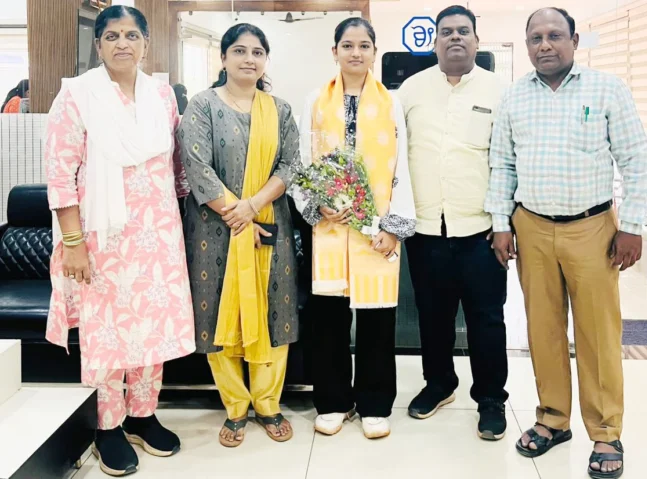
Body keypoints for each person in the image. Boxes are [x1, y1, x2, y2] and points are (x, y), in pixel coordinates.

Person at [485, 8, 647, 479]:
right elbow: (502, 163)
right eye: (535, 37)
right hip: (531, 227)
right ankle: (553, 419)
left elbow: (635, 159)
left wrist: (632, 225)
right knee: (543, 329)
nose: (545, 45)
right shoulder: (514, 96)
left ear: (574, 40)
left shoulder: (606, 89)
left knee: (598, 333)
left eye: (555, 35)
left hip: (592, 227)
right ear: (527, 45)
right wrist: (501, 223)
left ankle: (606, 431)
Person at [44, 6, 194, 477]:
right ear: (98, 45)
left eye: (131, 35)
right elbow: (60, 176)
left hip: (158, 234)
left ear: (146, 44)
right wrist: (73, 243)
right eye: (112, 36)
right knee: (107, 331)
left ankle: (143, 416)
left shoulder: (163, 96)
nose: (122, 44)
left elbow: (176, 166)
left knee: (152, 327)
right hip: (101, 236)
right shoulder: (76, 96)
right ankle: (107, 426)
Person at [293, 17, 416, 440]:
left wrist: (394, 226)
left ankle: (374, 404)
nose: (356, 53)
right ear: (335, 52)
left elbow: (402, 166)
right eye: (347, 45)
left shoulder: (391, 102)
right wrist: (317, 204)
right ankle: (332, 402)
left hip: (374, 225)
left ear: (374, 52)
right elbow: (302, 160)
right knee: (327, 319)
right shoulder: (314, 100)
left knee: (377, 318)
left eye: (364, 45)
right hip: (329, 228)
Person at [178, 23, 299, 448]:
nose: (249, 59)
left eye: (257, 52)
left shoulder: (280, 110)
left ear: (265, 60)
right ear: (223, 57)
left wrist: (252, 207)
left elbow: (290, 165)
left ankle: (268, 404)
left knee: (273, 309)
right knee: (218, 310)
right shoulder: (202, 106)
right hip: (215, 228)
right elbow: (197, 167)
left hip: (268, 220)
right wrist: (236, 213)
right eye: (240, 51)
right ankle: (234, 406)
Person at [397, 5, 509, 440]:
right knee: (432, 315)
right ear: (435, 42)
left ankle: (491, 399)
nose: (455, 37)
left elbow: (507, 161)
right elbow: (395, 155)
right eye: (447, 32)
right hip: (425, 229)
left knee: (487, 319)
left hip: (481, 230)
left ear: (477, 41)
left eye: (464, 31)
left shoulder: (499, 91)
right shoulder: (411, 90)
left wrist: (504, 222)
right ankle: (440, 383)